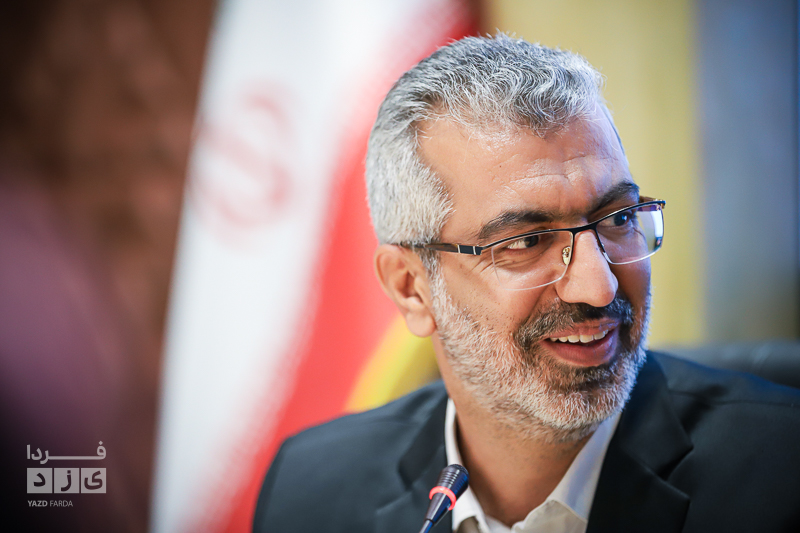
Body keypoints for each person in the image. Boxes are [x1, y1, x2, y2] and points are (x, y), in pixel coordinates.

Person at [253, 34, 800, 533]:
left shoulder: (783, 471)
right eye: (526, 241)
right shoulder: (311, 490)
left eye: (617, 219)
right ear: (411, 288)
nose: (599, 287)